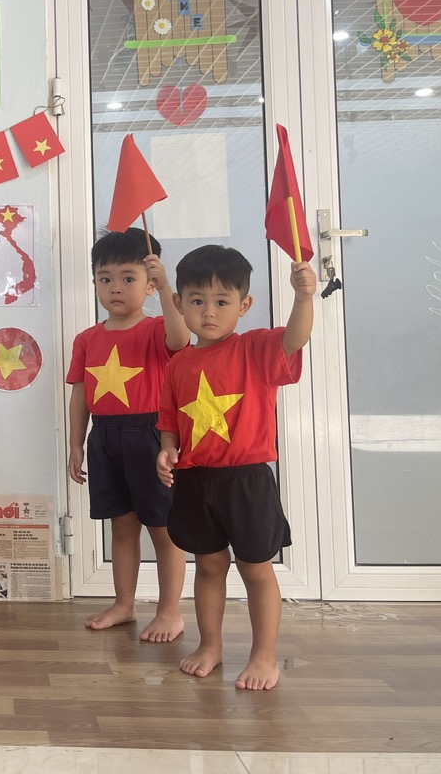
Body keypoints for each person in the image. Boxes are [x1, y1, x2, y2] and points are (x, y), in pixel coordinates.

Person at [156, 245, 315, 691]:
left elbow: (296, 338)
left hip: (247, 480)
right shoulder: (179, 364)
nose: (209, 311)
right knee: (208, 567)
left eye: (222, 301)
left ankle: (264, 657)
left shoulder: (256, 348)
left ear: (243, 306)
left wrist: (304, 297)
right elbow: (169, 422)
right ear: (179, 304)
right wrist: (166, 451)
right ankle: (210, 645)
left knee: (256, 569)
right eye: (197, 300)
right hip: (195, 480)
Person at [66, 228, 189, 642]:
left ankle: (170, 611)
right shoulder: (87, 339)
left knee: (163, 529)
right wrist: (75, 444)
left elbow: (181, 338)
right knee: (121, 526)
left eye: (128, 277)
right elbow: (80, 395)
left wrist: (168, 286)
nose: (115, 287)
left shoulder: (156, 328)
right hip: (104, 438)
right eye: (105, 278)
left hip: (150, 436)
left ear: (149, 283)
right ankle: (124, 603)